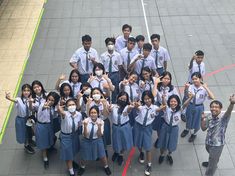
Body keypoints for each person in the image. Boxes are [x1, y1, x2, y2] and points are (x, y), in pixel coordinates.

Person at [201, 95, 235, 176]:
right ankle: (212, 161)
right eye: (212, 107)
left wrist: (232, 103)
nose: (214, 108)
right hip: (208, 142)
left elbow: (228, 111)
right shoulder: (209, 116)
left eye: (216, 107)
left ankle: (210, 169)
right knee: (212, 157)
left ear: (220, 109)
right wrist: (202, 119)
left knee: (211, 167)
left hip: (217, 146)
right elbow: (203, 128)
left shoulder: (223, 118)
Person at [133, 90, 164, 176]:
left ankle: (149, 164)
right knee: (138, 143)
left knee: (148, 147)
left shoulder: (155, 108)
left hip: (147, 128)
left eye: (149, 98)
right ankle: (141, 153)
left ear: (152, 98)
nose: (147, 100)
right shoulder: (141, 107)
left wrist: (163, 100)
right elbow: (137, 107)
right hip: (138, 126)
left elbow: (162, 107)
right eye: (145, 99)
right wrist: (136, 106)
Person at [157, 94, 193, 165]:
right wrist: (163, 97)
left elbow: (185, 104)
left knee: (172, 143)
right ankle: (162, 155)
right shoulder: (166, 108)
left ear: (178, 103)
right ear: (169, 102)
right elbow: (164, 103)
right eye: (171, 101)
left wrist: (191, 98)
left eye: (175, 101)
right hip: (165, 127)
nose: (173, 103)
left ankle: (169, 155)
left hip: (174, 129)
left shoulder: (180, 110)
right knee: (163, 143)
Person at [181, 72, 215, 142]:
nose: (194, 80)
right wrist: (186, 89)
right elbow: (187, 96)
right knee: (188, 119)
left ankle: (194, 133)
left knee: (197, 121)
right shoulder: (190, 86)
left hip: (199, 107)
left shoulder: (204, 89)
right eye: (193, 79)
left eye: (196, 79)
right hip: (190, 105)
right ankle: (187, 129)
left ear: (200, 79)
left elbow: (212, 97)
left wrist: (206, 87)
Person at [78, 106, 112, 175]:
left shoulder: (101, 121)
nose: (93, 114)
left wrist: (99, 127)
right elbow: (84, 135)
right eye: (91, 112)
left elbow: (99, 135)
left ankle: (106, 167)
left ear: (98, 113)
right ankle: (82, 167)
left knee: (102, 155)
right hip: (86, 140)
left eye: (95, 112)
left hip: (97, 140)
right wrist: (84, 126)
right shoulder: (85, 121)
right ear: (89, 113)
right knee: (84, 155)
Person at [5, 84, 35, 154]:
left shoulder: (31, 99)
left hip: (28, 119)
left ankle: (30, 140)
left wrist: (30, 102)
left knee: (29, 132)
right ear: (22, 91)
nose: (26, 92)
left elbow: (31, 109)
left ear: (30, 91)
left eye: (28, 90)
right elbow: (14, 100)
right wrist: (8, 98)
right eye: (24, 90)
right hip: (21, 120)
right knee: (23, 133)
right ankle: (26, 145)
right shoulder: (19, 100)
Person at [152, 71, 179, 147]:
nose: (166, 80)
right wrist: (156, 83)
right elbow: (153, 95)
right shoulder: (157, 87)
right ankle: (159, 138)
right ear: (161, 78)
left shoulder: (172, 89)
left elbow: (177, 100)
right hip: (160, 107)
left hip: (169, 108)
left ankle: (165, 139)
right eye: (165, 78)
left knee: (166, 125)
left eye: (168, 79)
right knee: (158, 125)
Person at [35, 92, 60, 169]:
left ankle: (50, 147)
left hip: (49, 125)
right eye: (49, 99)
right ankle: (45, 158)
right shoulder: (42, 105)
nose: (50, 101)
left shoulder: (53, 107)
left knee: (50, 137)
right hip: (42, 126)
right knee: (43, 142)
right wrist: (45, 106)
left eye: (52, 100)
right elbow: (43, 107)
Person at [58, 99, 82, 176]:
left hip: (74, 135)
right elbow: (60, 111)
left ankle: (72, 161)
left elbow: (79, 124)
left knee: (73, 151)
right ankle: (71, 172)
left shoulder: (79, 114)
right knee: (68, 154)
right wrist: (60, 108)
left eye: (73, 104)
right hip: (66, 137)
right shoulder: (64, 114)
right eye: (69, 105)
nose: (71, 106)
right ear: (66, 107)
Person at [108, 91, 134, 165]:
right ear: (117, 97)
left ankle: (121, 155)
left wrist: (131, 106)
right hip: (116, 127)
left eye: (124, 99)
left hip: (125, 127)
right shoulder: (113, 106)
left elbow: (129, 109)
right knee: (116, 141)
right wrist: (108, 109)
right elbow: (109, 111)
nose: (122, 100)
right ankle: (116, 152)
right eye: (121, 98)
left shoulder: (126, 107)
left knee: (123, 141)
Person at [86, 88, 111, 156]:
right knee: (96, 137)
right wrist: (88, 105)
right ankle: (97, 151)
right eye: (94, 93)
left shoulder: (105, 102)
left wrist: (104, 104)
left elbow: (106, 114)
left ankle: (104, 150)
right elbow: (88, 115)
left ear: (101, 94)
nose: (96, 95)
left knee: (104, 137)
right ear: (91, 95)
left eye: (97, 93)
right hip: (94, 123)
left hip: (104, 122)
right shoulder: (90, 103)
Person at [100, 37, 122, 103]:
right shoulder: (103, 55)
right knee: (106, 88)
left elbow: (120, 65)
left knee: (115, 90)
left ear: (114, 45)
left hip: (115, 73)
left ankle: (114, 103)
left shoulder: (117, 55)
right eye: (109, 44)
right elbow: (101, 66)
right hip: (106, 74)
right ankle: (107, 102)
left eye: (112, 44)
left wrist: (119, 76)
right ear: (106, 45)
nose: (110, 45)